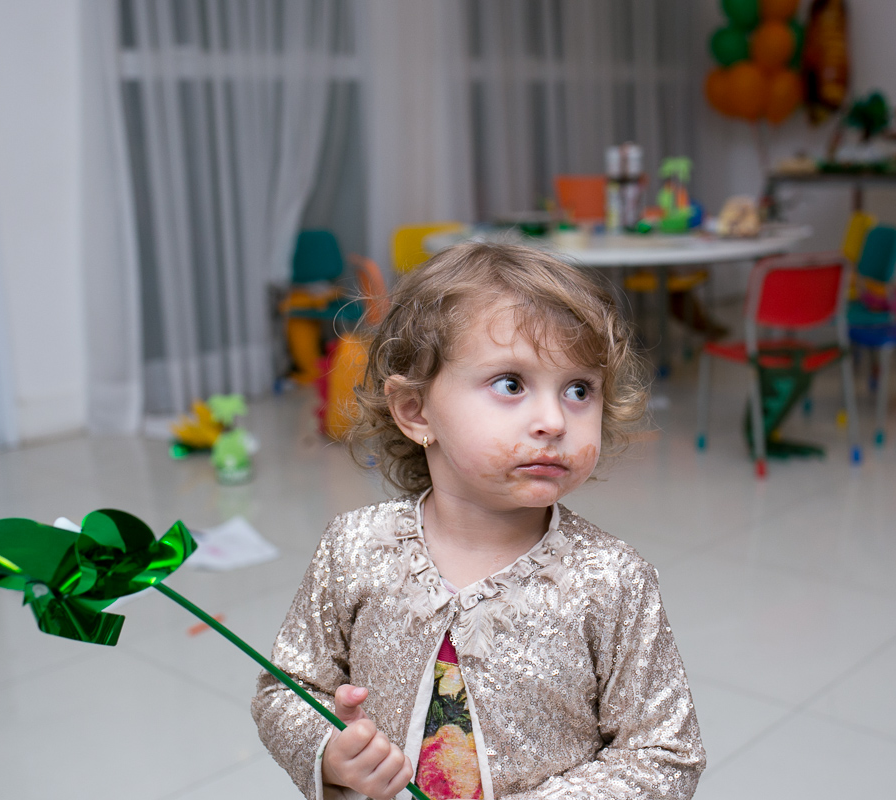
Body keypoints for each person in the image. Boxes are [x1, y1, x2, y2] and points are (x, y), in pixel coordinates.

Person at [252, 242, 705, 799]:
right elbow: (286, 689)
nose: (553, 419)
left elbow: (665, 752)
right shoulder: (354, 548)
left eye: (579, 389)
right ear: (416, 411)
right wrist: (329, 749)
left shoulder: (613, 580)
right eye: (511, 384)